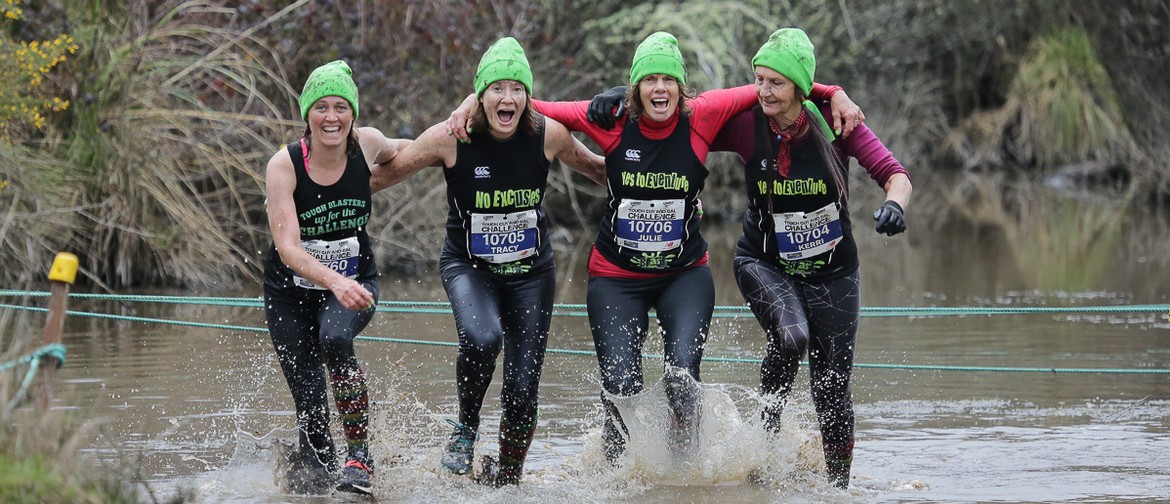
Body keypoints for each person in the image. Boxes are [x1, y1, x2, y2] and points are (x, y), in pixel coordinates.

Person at [449, 31, 864, 464]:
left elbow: (781, 81)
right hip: (616, 278)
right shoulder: (609, 119)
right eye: (649, 79)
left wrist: (833, 93)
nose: (659, 88)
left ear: (682, 88)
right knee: (621, 386)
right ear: (636, 87)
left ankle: (682, 476)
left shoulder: (704, 113)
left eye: (668, 79)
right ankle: (614, 476)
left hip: (683, 275)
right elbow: (522, 104)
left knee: (682, 379)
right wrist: (469, 102)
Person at [384, 37, 605, 486]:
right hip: (469, 267)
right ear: (481, 95)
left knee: (523, 391)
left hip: (532, 274)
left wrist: (675, 188)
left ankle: (507, 478)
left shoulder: (549, 134)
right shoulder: (452, 137)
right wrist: (315, 188)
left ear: (527, 96)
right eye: (497, 88)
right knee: (483, 338)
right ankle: (465, 428)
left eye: (517, 89)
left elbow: (601, 170)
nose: (508, 98)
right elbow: (390, 170)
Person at [711, 28, 913, 488]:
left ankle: (837, 489)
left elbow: (895, 174)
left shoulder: (836, 121)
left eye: (775, 83)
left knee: (832, 386)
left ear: (799, 89)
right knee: (790, 337)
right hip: (763, 262)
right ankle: (764, 456)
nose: (763, 91)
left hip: (834, 271)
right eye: (758, 79)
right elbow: (688, 118)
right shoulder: (746, 121)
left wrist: (894, 206)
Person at [263, 60, 411, 495]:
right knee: (310, 405)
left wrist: (459, 133)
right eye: (321, 107)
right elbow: (289, 248)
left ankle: (359, 456)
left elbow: (413, 149)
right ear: (307, 115)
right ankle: (316, 470)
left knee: (335, 339)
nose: (332, 117)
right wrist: (333, 281)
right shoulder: (284, 165)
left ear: (353, 114)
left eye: (341, 107)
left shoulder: (368, 144)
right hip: (290, 292)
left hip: (355, 280)